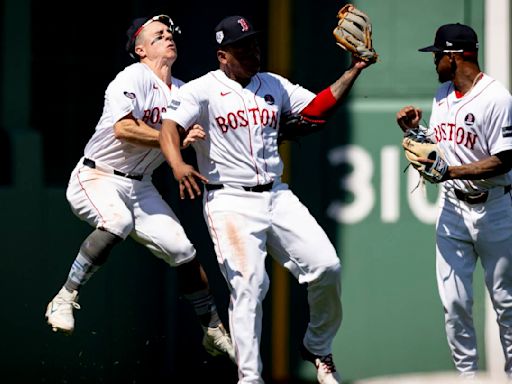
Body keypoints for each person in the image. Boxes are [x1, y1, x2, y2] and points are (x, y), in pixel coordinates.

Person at [159, 15, 373, 384]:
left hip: (276, 195)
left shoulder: (273, 83)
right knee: (250, 285)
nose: (253, 52)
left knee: (326, 266)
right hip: (229, 200)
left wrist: (355, 69)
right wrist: (177, 164)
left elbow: (316, 109)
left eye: (255, 44)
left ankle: (318, 346)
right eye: (243, 47)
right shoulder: (201, 90)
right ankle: (250, 378)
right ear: (222, 55)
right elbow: (168, 127)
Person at [45, 14, 235, 362]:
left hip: (141, 187)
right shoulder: (132, 77)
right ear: (141, 49)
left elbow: (218, 128)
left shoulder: (183, 91)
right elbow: (124, 129)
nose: (168, 38)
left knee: (183, 251)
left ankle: (211, 328)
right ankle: (64, 296)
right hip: (97, 176)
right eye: (158, 35)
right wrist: (175, 137)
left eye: (170, 34)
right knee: (117, 221)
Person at [396, 23, 512, 378]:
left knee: (507, 306)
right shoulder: (442, 94)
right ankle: (467, 378)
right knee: (455, 304)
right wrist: (417, 131)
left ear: (454, 56)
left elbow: (505, 158)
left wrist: (451, 172)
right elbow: (444, 147)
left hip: (495, 208)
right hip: (453, 208)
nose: (434, 63)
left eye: (437, 56)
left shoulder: (497, 97)